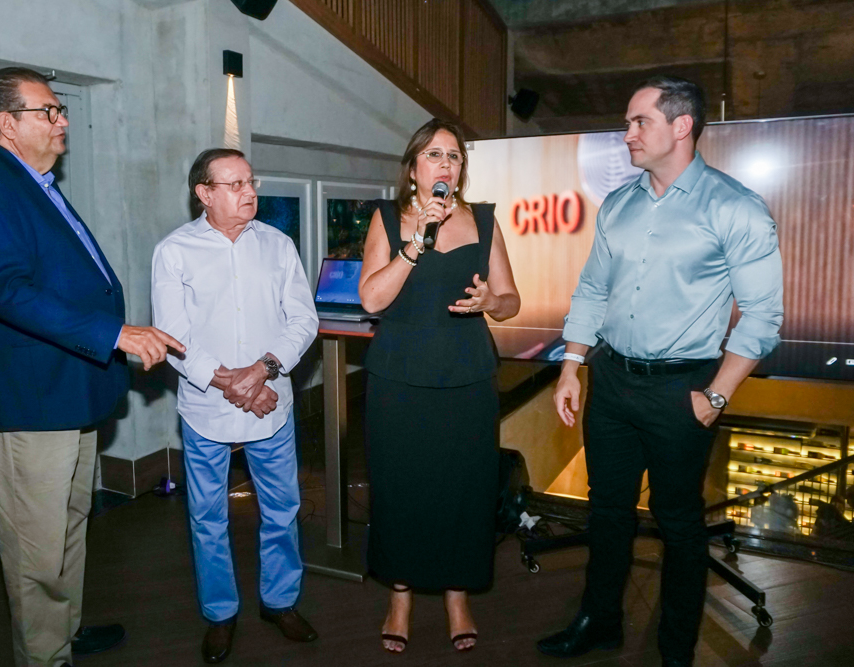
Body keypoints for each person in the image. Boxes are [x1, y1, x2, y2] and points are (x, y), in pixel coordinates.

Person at [540, 76, 783, 667]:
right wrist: (571, 365)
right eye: (628, 122)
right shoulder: (618, 204)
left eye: (638, 122)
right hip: (611, 380)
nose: (626, 134)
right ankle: (600, 621)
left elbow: (762, 315)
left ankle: (676, 648)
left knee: (679, 524)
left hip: (684, 388)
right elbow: (592, 290)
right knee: (607, 511)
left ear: (681, 126)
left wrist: (716, 395)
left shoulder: (735, 207)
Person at [0, 67, 185, 667]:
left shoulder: (34, 184)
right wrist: (115, 333)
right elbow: (8, 291)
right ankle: (44, 656)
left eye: (60, 110)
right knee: (36, 549)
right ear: (7, 124)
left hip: (66, 391)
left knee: (69, 524)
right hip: (29, 400)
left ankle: (65, 631)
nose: (62, 121)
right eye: (48, 111)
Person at [151, 148, 320, 664]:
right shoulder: (174, 251)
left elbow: (304, 320)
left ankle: (280, 601)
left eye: (250, 182)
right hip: (206, 410)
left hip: (272, 405)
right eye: (234, 184)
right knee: (207, 518)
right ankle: (220, 614)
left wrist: (263, 370)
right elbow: (173, 335)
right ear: (204, 193)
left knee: (282, 509)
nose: (249, 192)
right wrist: (236, 383)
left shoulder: (278, 245)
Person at [358, 118, 521, 654]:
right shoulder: (387, 219)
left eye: (453, 155)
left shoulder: (484, 220)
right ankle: (399, 597)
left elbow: (510, 300)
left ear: (461, 168)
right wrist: (414, 245)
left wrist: (490, 303)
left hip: (466, 375)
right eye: (433, 154)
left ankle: (458, 596)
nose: (445, 163)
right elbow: (371, 299)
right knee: (401, 486)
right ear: (413, 169)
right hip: (400, 377)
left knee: (465, 488)